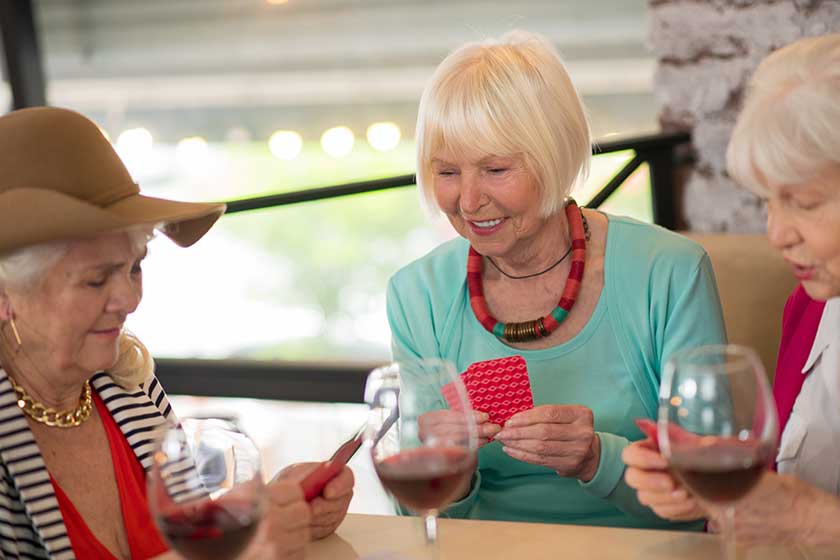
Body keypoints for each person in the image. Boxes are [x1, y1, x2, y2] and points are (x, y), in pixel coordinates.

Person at [385, 30, 726, 528]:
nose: (468, 200)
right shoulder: (417, 294)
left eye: (496, 169)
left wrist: (597, 459)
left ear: (554, 156)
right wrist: (446, 466)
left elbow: (712, 489)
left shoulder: (670, 272)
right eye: (447, 172)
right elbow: (418, 513)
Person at [0, 106, 353, 559]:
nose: (129, 299)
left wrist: (266, 510)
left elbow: (188, 542)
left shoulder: (130, 385)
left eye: (134, 267)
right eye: (95, 279)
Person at [622, 33, 840, 545]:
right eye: (768, 201)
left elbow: (803, 513)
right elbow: (781, 491)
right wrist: (714, 496)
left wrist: (809, 518)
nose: (776, 234)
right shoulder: (812, 306)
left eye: (803, 202)